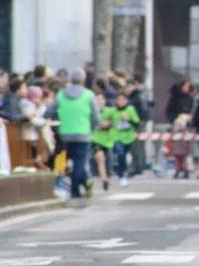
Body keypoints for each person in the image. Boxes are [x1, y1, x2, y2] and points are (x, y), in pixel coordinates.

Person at [44, 69, 100, 199]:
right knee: (79, 162)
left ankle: (86, 180)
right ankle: (75, 189)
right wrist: (92, 128)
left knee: (74, 161)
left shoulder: (61, 95)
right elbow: (96, 116)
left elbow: (49, 111)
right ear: (83, 80)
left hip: (66, 133)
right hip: (83, 133)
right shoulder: (88, 95)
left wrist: (53, 118)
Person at [110, 91, 141, 187]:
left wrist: (128, 119)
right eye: (118, 100)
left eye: (122, 100)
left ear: (126, 101)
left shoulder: (130, 110)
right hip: (117, 136)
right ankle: (121, 174)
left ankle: (127, 171)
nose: (120, 102)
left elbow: (137, 123)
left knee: (127, 156)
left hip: (128, 137)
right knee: (120, 154)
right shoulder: (112, 111)